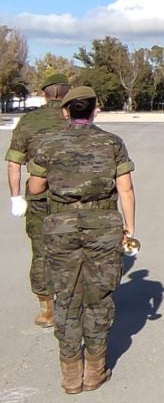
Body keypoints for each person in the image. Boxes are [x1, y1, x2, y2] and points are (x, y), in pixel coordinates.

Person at [26, 86, 137, 394]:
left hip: (61, 225)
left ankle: (70, 375)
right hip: (102, 224)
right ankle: (95, 370)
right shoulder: (112, 143)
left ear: (66, 111)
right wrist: (129, 229)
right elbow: (125, 189)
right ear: (94, 110)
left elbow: (35, 188)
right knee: (98, 297)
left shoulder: (48, 144)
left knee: (66, 295)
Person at [6, 72, 70, 328]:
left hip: (38, 197)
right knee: (71, 249)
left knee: (41, 251)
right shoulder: (75, 118)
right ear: (68, 93)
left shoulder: (29, 122)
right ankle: (72, 304)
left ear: (44, 93)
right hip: (70, 197)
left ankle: (47, 310)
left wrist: (15, 197)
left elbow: (14, 162)